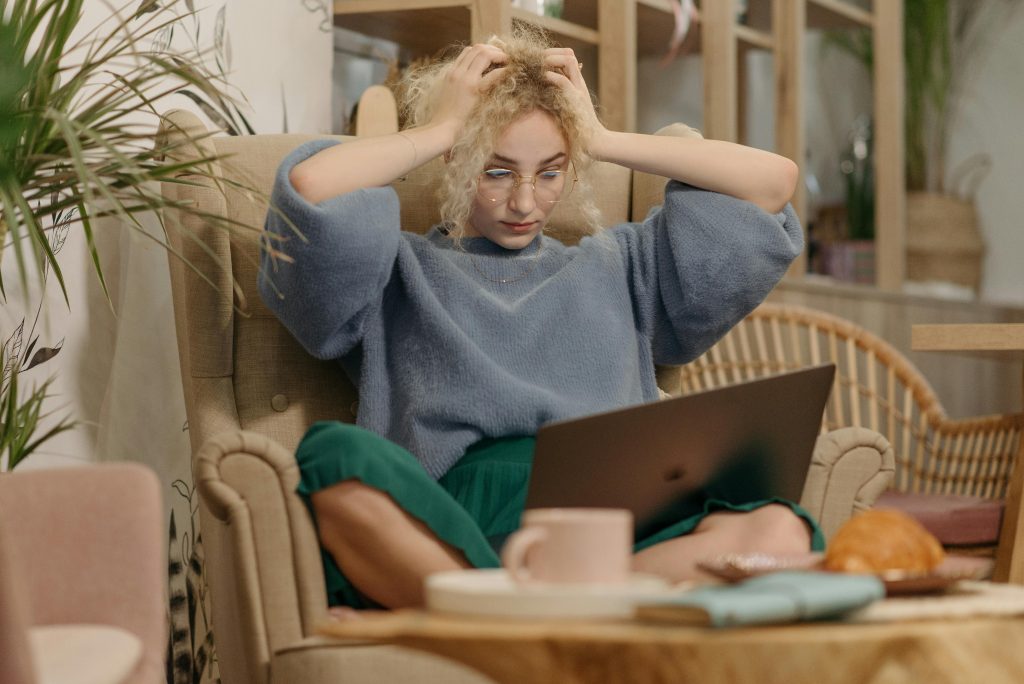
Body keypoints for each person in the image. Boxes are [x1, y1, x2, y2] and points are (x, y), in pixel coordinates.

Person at [259, 29, 816, 611]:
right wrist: (441, 130)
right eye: (496, 171)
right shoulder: (399, 268)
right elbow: (309, 187)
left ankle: (520, 616)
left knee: (779, 530)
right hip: (452, 519)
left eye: (550, 172)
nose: (525, 203)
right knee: (332, 457)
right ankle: (556, 615)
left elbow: (773, 183)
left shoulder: (624, 264)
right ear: (456, 160)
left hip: (614, 519)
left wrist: (598, 137)